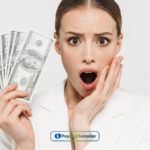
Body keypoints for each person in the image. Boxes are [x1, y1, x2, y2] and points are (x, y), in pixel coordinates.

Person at [0, 0, 150, 150]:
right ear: (58, 44)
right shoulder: (16, 116)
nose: (88, 56)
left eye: (102, 40)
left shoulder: (144, 117)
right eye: (74, 40)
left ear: (118, 43)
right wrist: (24, 144)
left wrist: (81, 122)